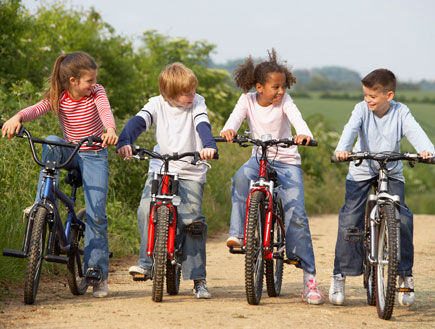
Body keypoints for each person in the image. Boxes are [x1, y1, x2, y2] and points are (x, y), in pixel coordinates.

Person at [1, 51, 118, 298]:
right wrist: (17, 116)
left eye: (94, 80)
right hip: (71, 152)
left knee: (96, 214)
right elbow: (36, 109)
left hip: (95, 153)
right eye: (88, 80)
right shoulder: (59, 96)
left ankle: (97, 273)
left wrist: (110, 130)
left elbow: (105, 111)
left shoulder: (97, 92)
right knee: (52, 140)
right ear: (73, 80)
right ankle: (40, 204)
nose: (93, 84)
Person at [220, 49, 324, 305]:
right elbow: (233, 121)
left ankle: (309, 281)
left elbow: (298, 119)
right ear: (259, 87)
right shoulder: (247, 100)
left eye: (283, 87)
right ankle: (239, 234)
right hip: (259, 158)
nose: (280, 92)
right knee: (240, 178)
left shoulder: (285, 102)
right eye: (275, 87)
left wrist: (304, 134)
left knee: (296, 214)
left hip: (287, 161)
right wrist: (229, 131)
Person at [329, 68, 434, 306]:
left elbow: (415, 131)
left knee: (403, 218)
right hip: (362, 168)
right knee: (350, 218)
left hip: (392, 169)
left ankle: (405, 276)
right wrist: (342, 149)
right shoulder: (361, 110)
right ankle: (340, 274)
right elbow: (350, 130)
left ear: (389, 95)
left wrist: (427, 151)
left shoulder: (401, 112)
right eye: (365, 95)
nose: (367, 100)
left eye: (372, 96)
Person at [117, 62, 217, 299]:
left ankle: (198, 279)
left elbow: (202, 125)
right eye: (186, 93)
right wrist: (125, 140)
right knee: (145, 209)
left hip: (191, 169)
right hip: (161, 167)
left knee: (192, 221)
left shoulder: (197, 103)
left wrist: (209, 145)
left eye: (193, 90)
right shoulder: (156, 104)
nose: (191, 96)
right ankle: (146, 264)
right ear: (169, 94)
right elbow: (138, 122)